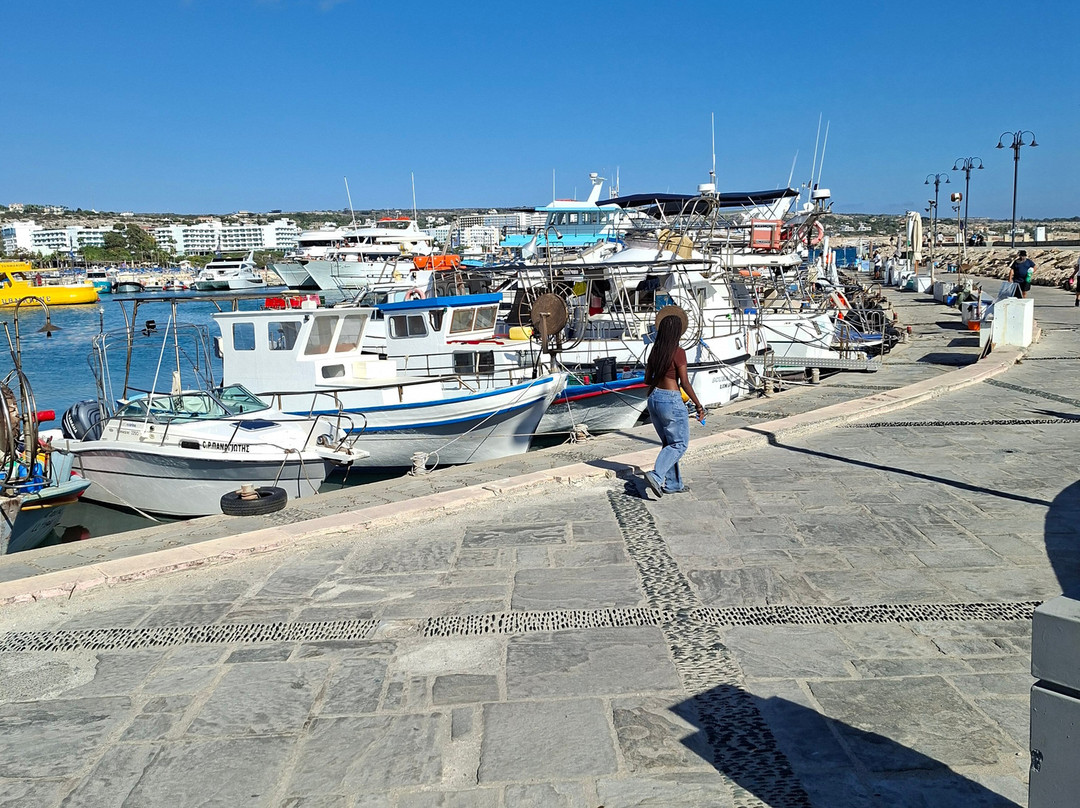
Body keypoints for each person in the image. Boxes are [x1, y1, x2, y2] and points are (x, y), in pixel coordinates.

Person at [642, 311, 705, 498]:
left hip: (654, 399)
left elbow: (647, 379)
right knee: (679, 444)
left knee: (669, 443)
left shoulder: (655, 350)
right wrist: (699, 405)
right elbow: (684, 382)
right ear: (677, 332)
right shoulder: (679, 353)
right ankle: (656, 475)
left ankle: (674, 484)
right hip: (671, 400)